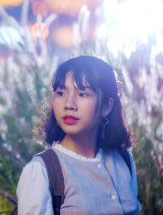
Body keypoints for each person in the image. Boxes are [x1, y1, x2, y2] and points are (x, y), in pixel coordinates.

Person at [16, 55, 141, 214]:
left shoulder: (123, 159)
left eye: (82, 94)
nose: (69, 105)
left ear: (106, 107)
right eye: (61, 93)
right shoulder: (42, 171)